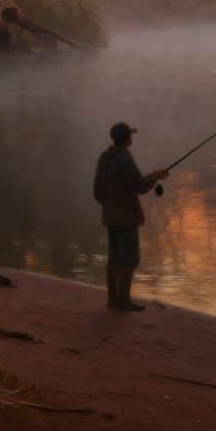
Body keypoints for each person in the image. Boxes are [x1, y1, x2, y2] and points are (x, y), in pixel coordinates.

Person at [92, 122, 169, 312]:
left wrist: (108, 206)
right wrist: (156, 175)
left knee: (114, 257)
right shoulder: (124, 160)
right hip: (126, 217)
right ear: (127, 139)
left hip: (109, 216)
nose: (132, 138)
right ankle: (124, 301)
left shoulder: (104, 158)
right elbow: (140, 186)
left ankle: (112, 299)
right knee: (130, 258)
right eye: (130, 136)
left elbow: (96, 191)